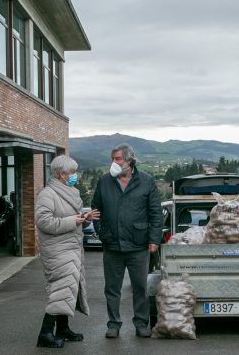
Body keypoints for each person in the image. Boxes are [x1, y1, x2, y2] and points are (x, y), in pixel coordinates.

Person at [91, 143, 163, 338]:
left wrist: (154, 239)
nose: (114, 163)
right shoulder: (105, 181)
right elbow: (96, 210)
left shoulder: (146, 181)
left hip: (138, 245)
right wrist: (101, 232)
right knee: (112, 288)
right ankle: (113, 324)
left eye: (118, 159)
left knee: (140, 287)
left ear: (129, 161)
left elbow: (156, 213)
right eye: (112, 159)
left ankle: (141, 323)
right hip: (112, 245)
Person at [34, 155, 101, 348]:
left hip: (70, 248)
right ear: (62, 174)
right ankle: (45, 334)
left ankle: (62, 329)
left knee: (69, 288)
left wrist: (84, 217)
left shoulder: (70, 191)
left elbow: (71, 217)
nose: (75, 176)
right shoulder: (48, 194)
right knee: (60, 289)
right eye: (72, 172)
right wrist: (74, 220)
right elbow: (44, 221)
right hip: (57, 250)